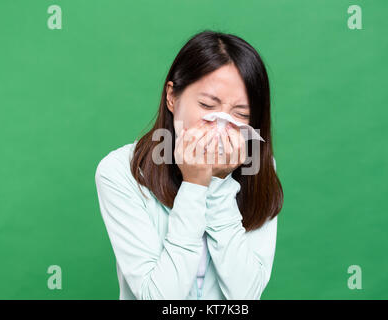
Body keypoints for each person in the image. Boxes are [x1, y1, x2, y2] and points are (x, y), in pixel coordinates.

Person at [95, 30, 284, 300]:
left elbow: (246, 295)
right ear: (172, 97)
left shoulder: (259, 168)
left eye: (241, 114)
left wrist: (219, 183)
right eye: (208, 105)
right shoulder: (120, 171)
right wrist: (195, 184)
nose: (222, 125)